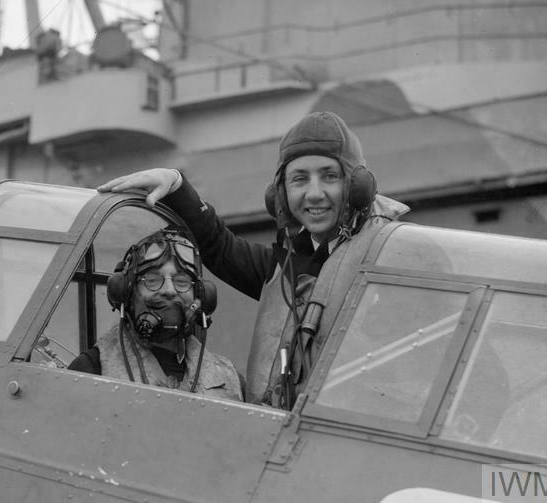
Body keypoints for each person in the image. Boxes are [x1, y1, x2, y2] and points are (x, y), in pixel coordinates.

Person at [98, 111, 409, 408]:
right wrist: (177, 186)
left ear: (357, 186)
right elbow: (221, 248)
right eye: (300, 179)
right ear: (280, 194)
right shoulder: (287, 269)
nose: (314, 194)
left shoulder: (396, 259)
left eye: (329, 176)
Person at [68, 227, 243, 401]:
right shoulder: (90, 371)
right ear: (126, 293)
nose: (169, 290)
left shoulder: (231, 380)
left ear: (201, 297)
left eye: (181, 281)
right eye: (152, 280)